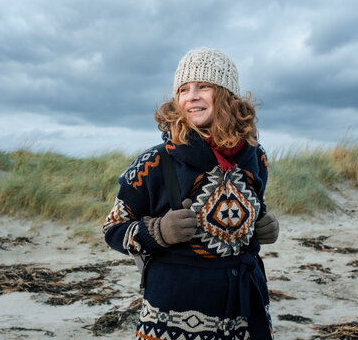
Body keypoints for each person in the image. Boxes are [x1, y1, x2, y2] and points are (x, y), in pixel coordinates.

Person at [102, 47, 279, 340]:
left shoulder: (256, 158)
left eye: (204, 86)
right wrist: (157, 231)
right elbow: (112, 229)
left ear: (228, 95)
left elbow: (254, 208)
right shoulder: (154, 162)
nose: (192, 96)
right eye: (183, 89)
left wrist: (263, 225)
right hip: (173, 320)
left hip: (246, 315)